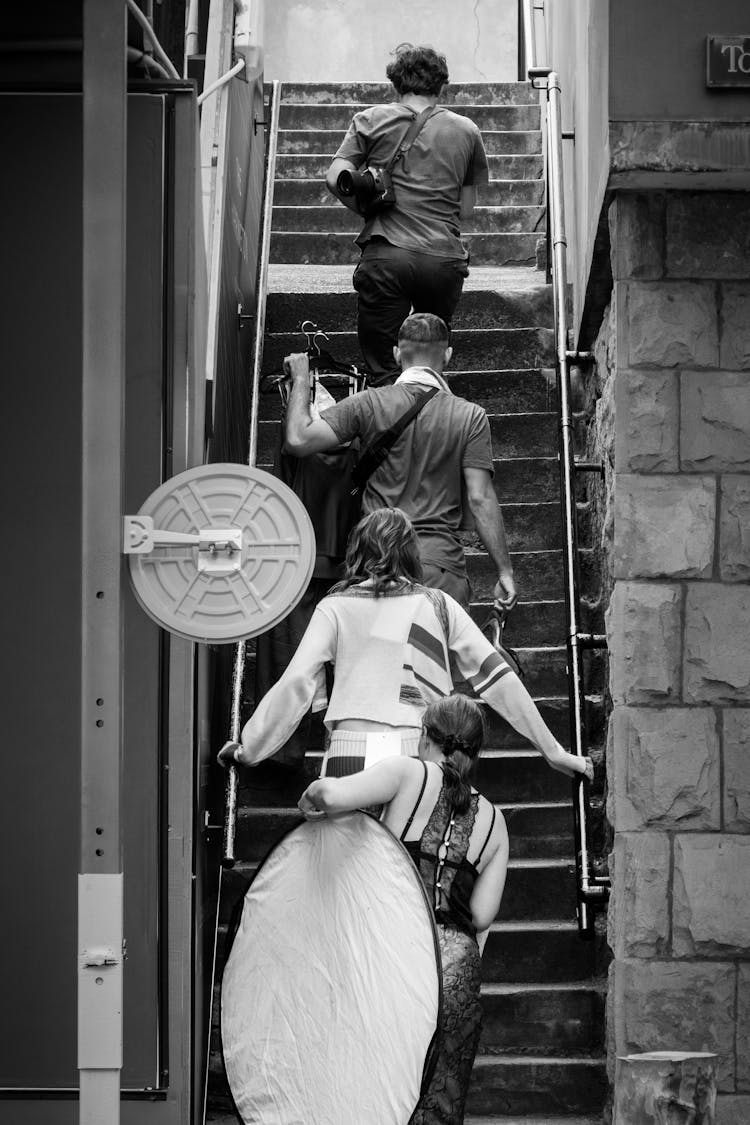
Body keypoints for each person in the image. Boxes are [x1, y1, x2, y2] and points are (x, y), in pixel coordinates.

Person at [219, 508, 593, 785]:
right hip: (420, 750)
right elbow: (499, 680)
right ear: (412, 553)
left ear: (358, 552)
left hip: (350, 750)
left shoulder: (334, 607)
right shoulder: (438, 604)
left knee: (350, 884)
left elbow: (296, 682)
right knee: (411, 880)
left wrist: (248, 748)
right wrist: (554, 752)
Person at [296, 693, 509, 1125]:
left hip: (392, 949)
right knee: (440, 1095)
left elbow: (334, 795)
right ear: (476, 752)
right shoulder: (496, 820)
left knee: (374, 1086)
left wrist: (314, 791)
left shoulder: (406, 772)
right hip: (455, 966)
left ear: (425, 736)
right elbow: (482, 915)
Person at [283, 312, 515, 614]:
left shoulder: (368, 403)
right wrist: (505, 571)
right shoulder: (470, 416)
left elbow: (299, 440)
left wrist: (301, 378)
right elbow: (480, 497)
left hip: (378, 563)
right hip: (439, 567)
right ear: (447, 355)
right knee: (436, 658)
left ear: (396, 354)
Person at [325, 43, 489, 385]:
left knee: (384, 366)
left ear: (395, 83)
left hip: (386, 254)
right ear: (441, 85)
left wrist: (363, 208)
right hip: (442, 259)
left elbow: (334, 177)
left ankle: (390, 422)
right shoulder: (467, 131)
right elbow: (467, 209)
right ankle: (431, 421)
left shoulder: (370, 120)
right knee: (427, 358)